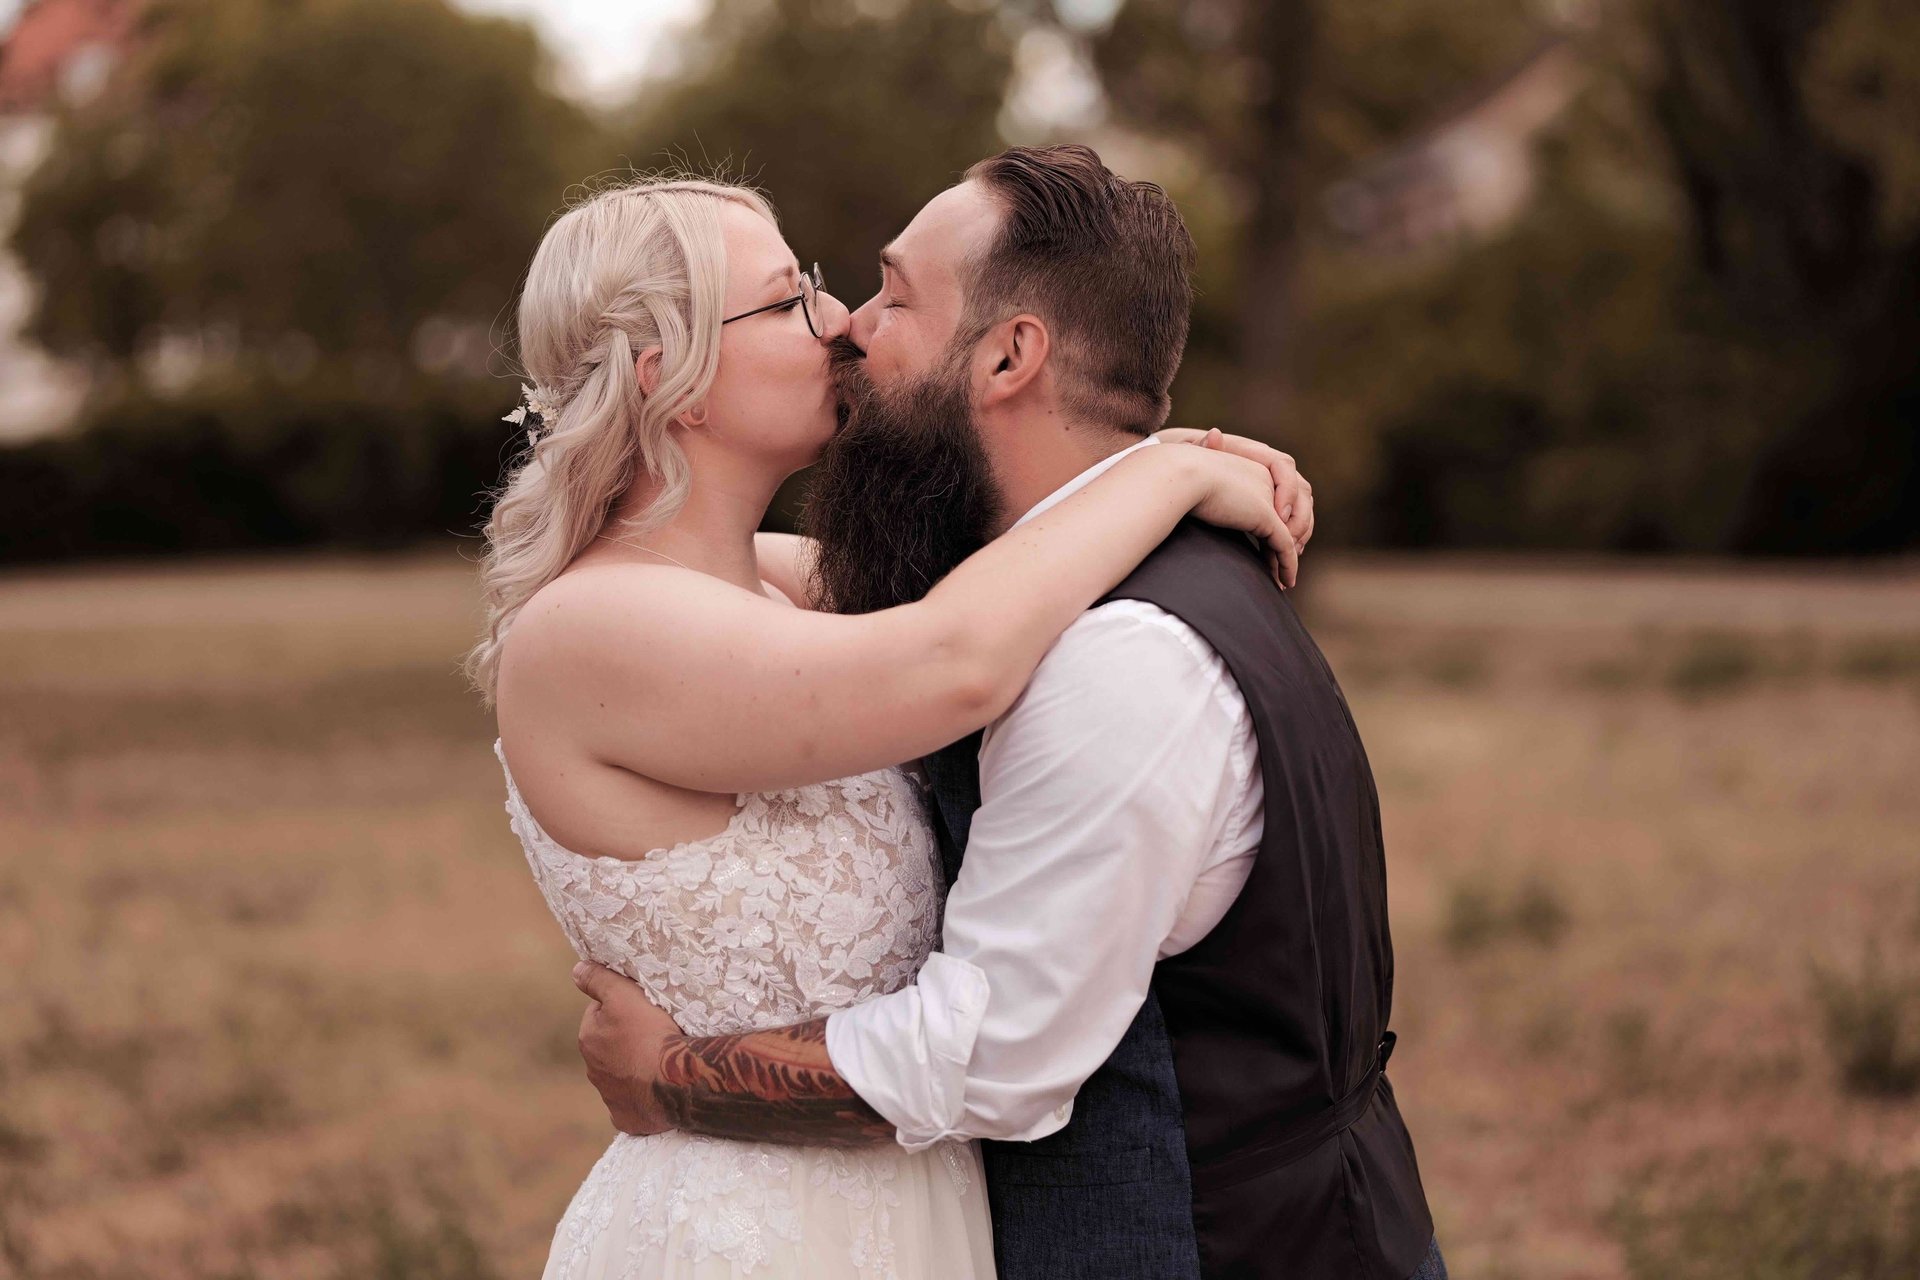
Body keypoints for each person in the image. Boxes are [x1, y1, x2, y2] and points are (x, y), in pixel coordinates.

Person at [570, 146, 1446, 1280]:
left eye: (894, 296)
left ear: (1007, 355)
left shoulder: (1116, 656)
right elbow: (731, 584)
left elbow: (990, 1055)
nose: (850, 327)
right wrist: (1167, 467)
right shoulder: (1077, 584)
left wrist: (673, 1074)